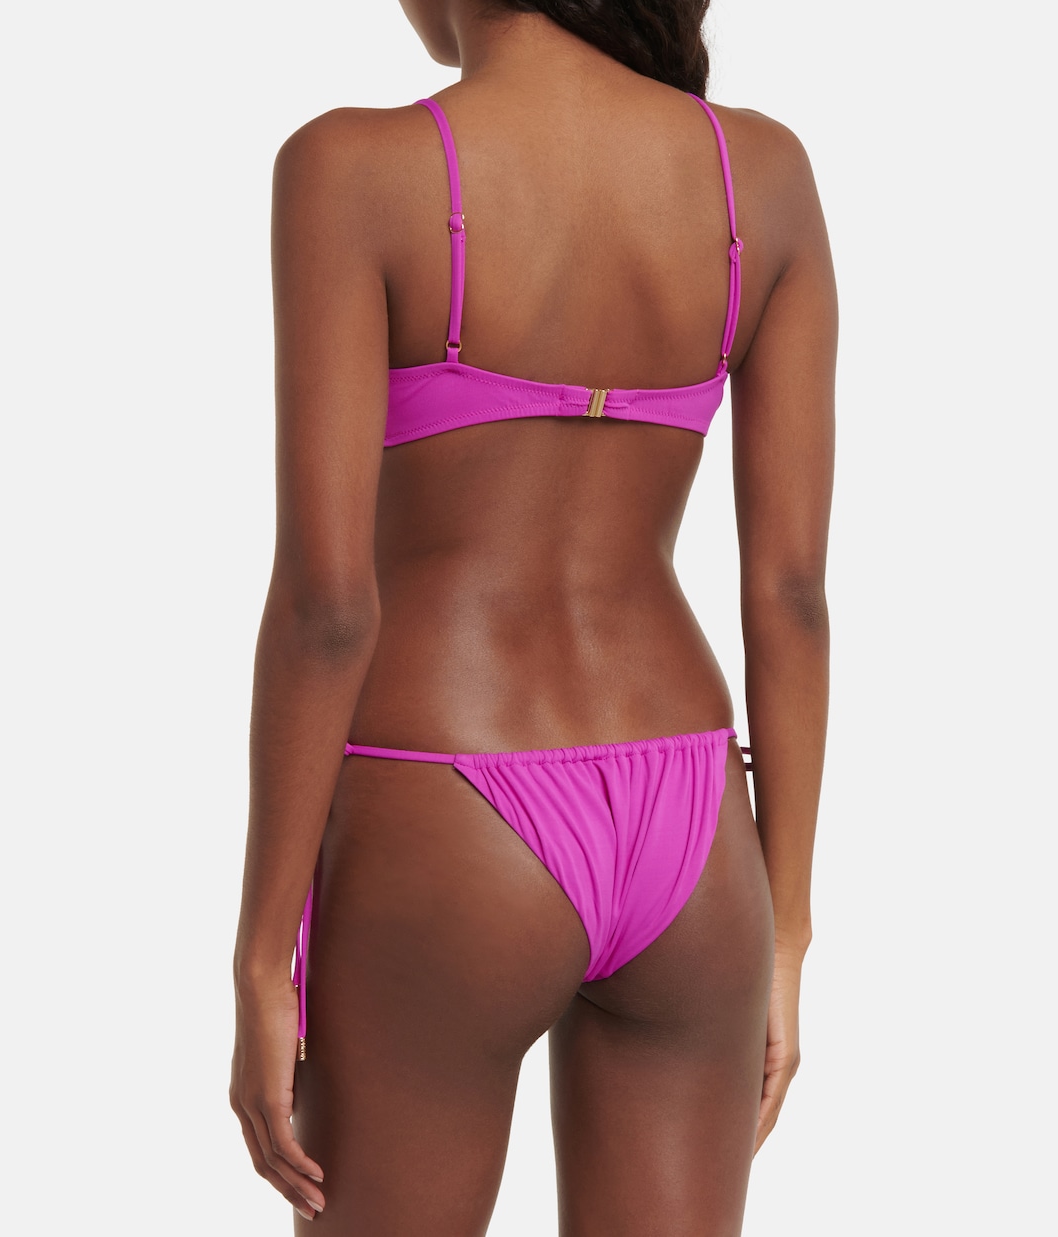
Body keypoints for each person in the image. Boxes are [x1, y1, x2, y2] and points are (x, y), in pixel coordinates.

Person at [229, 1, 835, 1232]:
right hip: (689, 818)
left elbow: (327, 607)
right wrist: (786, 930)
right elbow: (788, 595)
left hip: (446, 802)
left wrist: (260, 955)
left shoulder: (353, 168)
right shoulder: (760, 173)